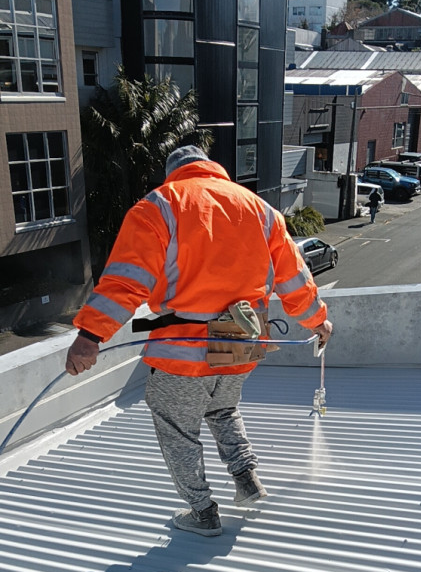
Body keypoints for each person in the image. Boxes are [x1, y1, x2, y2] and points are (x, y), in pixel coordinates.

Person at [65, 145, 333, 536]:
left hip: (185, 340)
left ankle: (203, 512)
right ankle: (247, 480)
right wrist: (318, 321)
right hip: (242, 332)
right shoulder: (259, 209)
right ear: (212, 169)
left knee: (178, 428)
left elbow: (126, 281)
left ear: (174, 172)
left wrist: (90, 336)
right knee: (222, 408)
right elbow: (294, 278)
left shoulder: (159, 206)